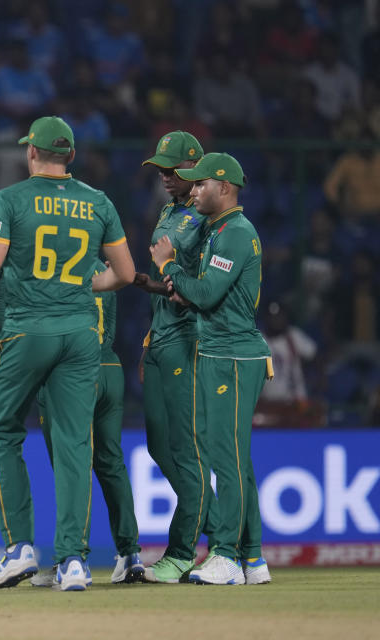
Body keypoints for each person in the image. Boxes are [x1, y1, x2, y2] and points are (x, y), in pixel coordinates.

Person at [0, 116, 135, 591]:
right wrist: (81, 285)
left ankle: (19, 550)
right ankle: (73, 561)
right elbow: (127, 274)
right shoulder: (99, 202)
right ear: (70, 155)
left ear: (31, 153)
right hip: (80, 333)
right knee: (76, 444)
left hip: (26, 332)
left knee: (3, 432)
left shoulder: (11, 199)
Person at [151, 152, 272, 586]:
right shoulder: (221, 230)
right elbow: (204, 294)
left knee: (225, 457)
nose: (194, 191)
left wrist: (167, 265)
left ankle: (226, 556)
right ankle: (253, 559)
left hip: (232, 354)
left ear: (225, 188)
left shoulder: (235, 233)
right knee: (236, 459)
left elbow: (204, 295)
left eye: (201, 184)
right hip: (225, 350)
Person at [134, 131, 217, 583]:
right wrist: (144, 282)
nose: (166, 177)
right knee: (159, 446)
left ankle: (184, 550)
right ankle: (230, 533)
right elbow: (169, 280)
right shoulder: (168, 212)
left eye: (173, 170)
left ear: (196, 169)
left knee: (186, 449)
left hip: (188, 338)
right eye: (162, 170)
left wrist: (168, 272)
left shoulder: (207, 219)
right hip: (160, 335)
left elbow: (202, 288)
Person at [32, 259, 144, 586]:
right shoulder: (101, 266)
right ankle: (130, 554)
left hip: (72, 372)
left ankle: (74, 559)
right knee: (111, 463)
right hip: (109, 365)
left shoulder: (51, 266)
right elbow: (108, 322)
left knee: (73, 464)